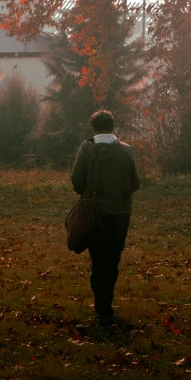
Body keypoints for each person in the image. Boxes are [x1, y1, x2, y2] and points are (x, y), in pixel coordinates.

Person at [71, 109, 140, 325]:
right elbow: (135, 184)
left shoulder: (85, 150)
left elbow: (76, 181)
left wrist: (89, 194)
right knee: (113, 257)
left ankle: (103, 307)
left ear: (94, 128)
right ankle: (107, 301)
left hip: (96, 213)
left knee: (98, 259)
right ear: (112, 127)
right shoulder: (127, 151)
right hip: (121, 213)